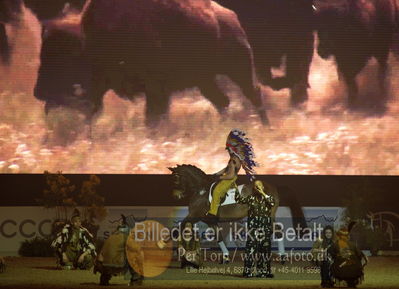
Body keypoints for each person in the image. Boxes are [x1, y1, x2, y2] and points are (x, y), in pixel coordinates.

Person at [208, 129, 258, 219]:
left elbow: (230, 175)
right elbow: (226, 169)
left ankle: (213, 214)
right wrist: (216, 174)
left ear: (232, 148)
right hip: (230, 178)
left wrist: (220, 178)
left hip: (229, 179)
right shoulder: (233, 159)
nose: (228, 151)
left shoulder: (234, 160)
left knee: (217, 191)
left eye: (228, 149)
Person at [235, 180, 275, 278]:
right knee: (250, 251)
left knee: (265, 251)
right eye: (256, 186)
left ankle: (264, 272)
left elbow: (272, 203)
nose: (257, 187)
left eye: (259, 185)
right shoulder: (251, 198)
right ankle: (248, 272)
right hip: (253, 230)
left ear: (263, 187)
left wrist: (262, 193)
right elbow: (238, 199)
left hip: (265, 229)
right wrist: (236, 189)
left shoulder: (268, 198)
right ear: (253, 188)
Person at [94, 215, 144, 286]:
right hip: (116, 265)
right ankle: (136, 280)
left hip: (102, 266)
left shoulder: (112, 236)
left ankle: (104, 279)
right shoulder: (127, 237)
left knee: (111, 256)